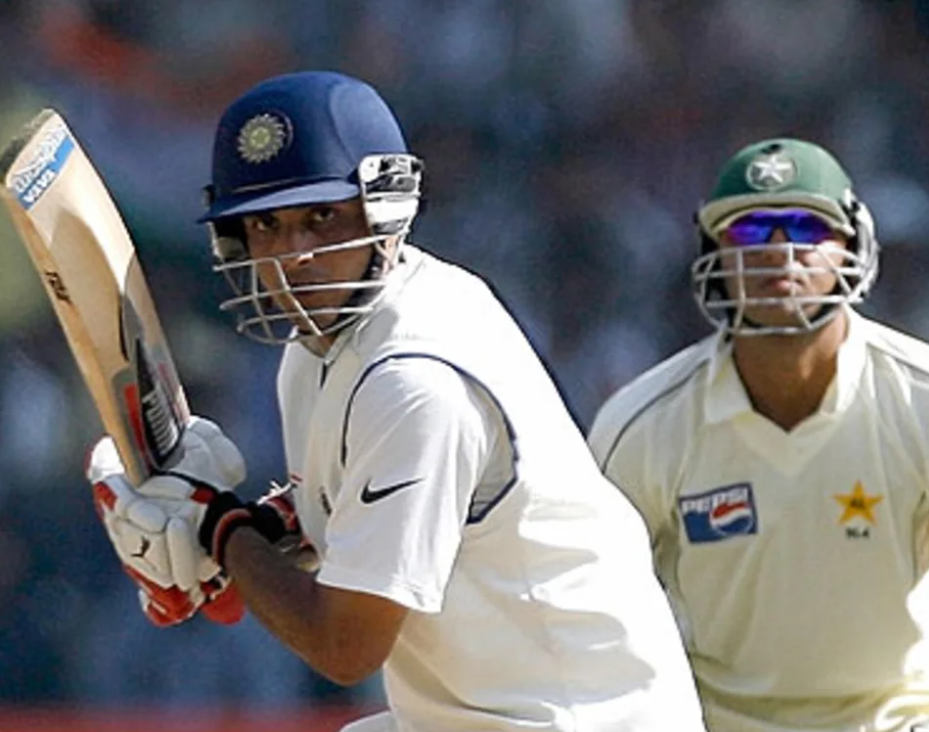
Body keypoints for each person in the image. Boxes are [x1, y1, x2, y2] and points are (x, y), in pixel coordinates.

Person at [86, 70, 706, 731]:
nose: (295, 255)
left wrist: (220, 530)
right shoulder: (323, 345)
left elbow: (345, 645)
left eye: (321, 218)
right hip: (490, 708)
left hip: (574, 716)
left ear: (387, 208)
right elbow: (362, 517)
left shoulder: (414, 382)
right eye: (267, 224)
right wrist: (262, 534)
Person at [587, 137, 929, 732]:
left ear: (852, 246)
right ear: (715, 256)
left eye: (807, 226)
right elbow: (593, 613)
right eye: (751, 231)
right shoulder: (643, 425)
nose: (782, 252)